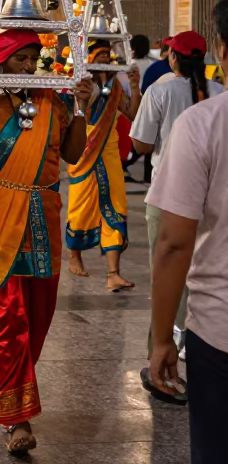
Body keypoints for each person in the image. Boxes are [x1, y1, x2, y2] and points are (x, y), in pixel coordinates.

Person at [0, 30, 93, 454]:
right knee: (3, 313)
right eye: (19, 59)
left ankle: (2, 386)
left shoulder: (53, 101)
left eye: (33, 59)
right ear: (1, 59)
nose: (28, 67)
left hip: (41, 217)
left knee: (37, 315)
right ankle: (17, 418)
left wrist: (82, 106)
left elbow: (73, 154)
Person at [146, 0, 228, 464]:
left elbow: (174, 242)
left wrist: (159, 341)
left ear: (222, 50)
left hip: (220, 329)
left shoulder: (206, 124)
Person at [132, 29, 223, 403]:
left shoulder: (161, 91)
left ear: (173, 58)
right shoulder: (219, 94)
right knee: (205, 268)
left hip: (169, 198)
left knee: (168, 269)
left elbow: (140, 144)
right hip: (214, 198)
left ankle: (163, 347)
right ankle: (188, 343)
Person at [65, 44, 141, 291]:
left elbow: (132, 113)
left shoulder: (116, 87)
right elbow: (76, 116)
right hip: (84, 150)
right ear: (89, 60)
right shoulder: (81, 84)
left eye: (108, 56)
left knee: (116, 205)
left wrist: (135, 85)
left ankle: (113, 272)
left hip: (108, 155)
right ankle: (74, 255)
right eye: (100, 56)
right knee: (81, 208)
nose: (105, 59)